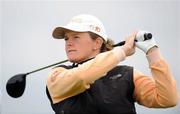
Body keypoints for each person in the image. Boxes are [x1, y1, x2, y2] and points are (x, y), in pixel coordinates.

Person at [46, 14, 178, 114]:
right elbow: (82, 76)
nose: (69, 43)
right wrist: (123, 51)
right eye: (66, 38)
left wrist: (152, 51)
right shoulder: (57, 75)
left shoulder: (126, 75)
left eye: (76, 37)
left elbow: (168, 99)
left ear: (97, 43)